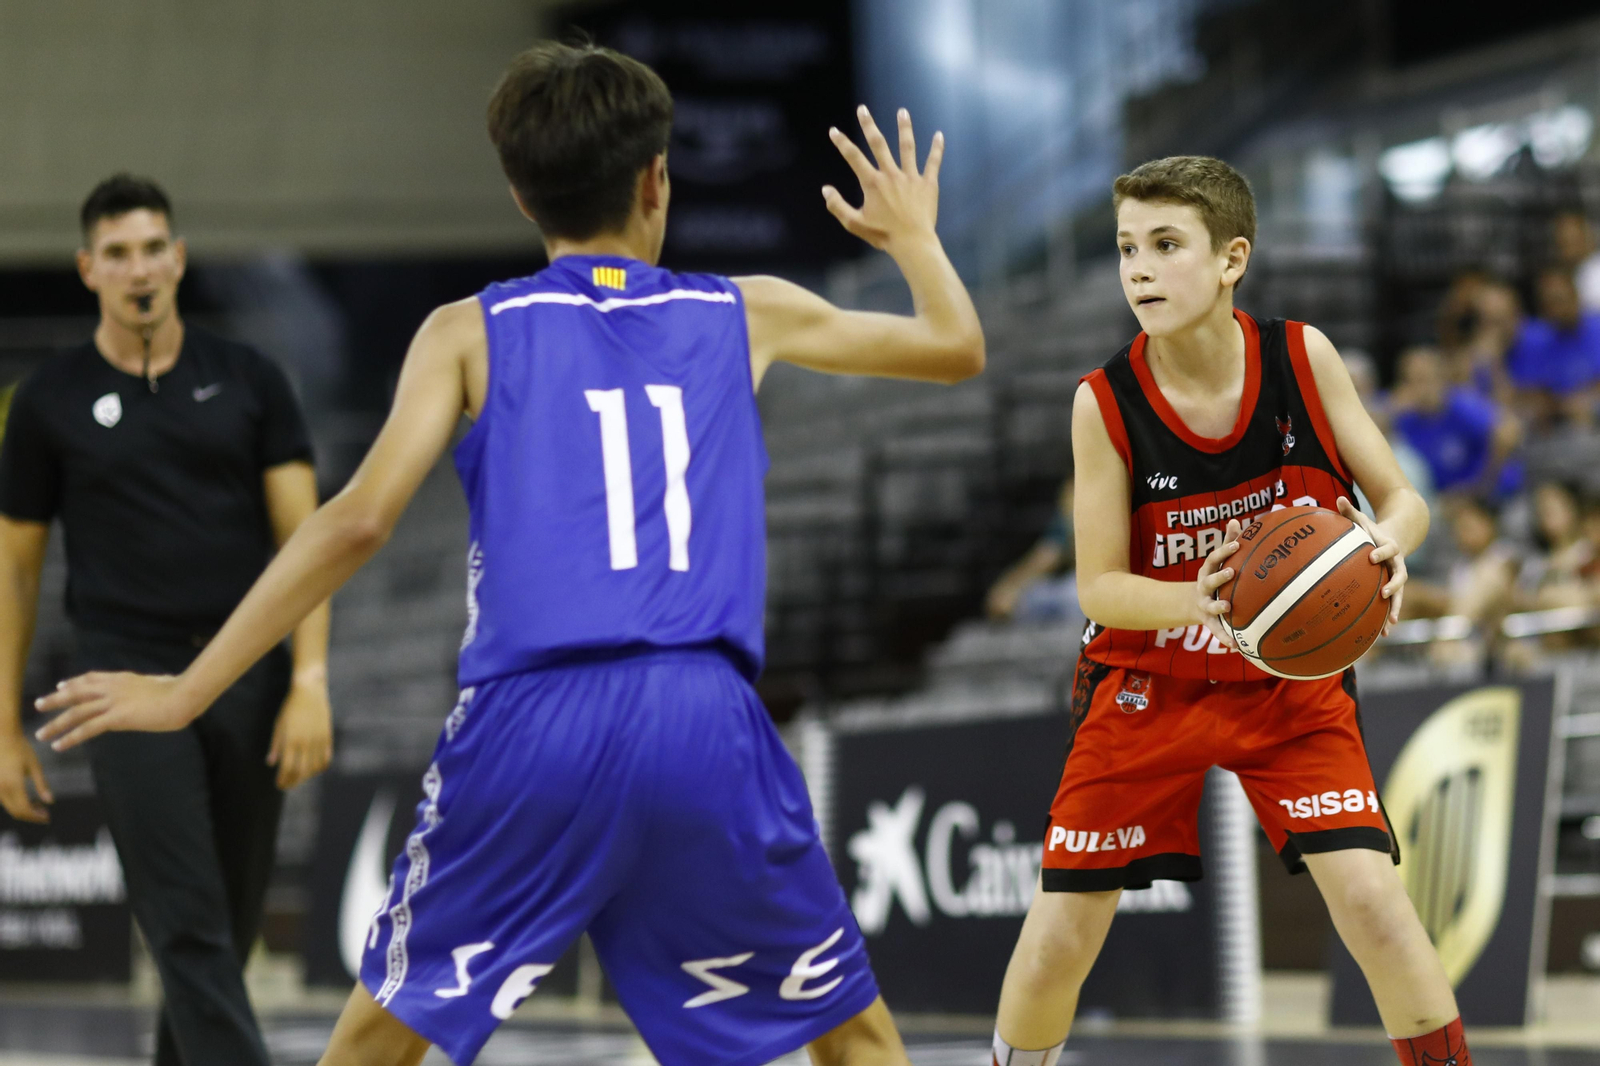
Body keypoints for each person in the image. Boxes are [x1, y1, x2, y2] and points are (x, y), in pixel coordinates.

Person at [35, 43, 984, 1066]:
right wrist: (915, 237)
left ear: (520, 194)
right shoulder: (742, 307)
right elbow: (955, 345)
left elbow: (354, 520)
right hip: (702, 715)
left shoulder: (465, 331)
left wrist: (187, 690)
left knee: (372, 1044)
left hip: (534, 721)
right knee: (850, 1030)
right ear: (656, 180)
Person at [989, 157, 1471, 1066]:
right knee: (1061, 933)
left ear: (1230, 258)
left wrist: (1388, 544)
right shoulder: (1104, 403)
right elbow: (1098, 586)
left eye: (1166, 245)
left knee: (1372, 901)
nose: (1139, 268)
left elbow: (1402, 497)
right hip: (1146, 680)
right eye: (1127, 247)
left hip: (1288, 684)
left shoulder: (1301, 356)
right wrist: (1203, 601)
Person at [0, 176, 333, 1065]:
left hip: (245, 672)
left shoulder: (252, 380)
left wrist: (308, 681)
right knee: (186, 926)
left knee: (226, 925)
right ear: (86, 270)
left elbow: (308, 545)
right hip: (122, 678)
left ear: (179, 259)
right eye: (117, 253)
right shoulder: (47, 403)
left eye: (153, 248)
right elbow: (18, 574)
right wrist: (3, 730)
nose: (138, 268)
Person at [1388, 345, 1521, 499]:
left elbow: (1508, 431)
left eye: (1424, 379)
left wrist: (1481, 484)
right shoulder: (1405, 418)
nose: (1420, 388)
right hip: (1442, 500)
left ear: (1440, 378)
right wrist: (1391, 410)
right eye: (1411, 381)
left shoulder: (1462, 405)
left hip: (1492, 494)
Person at [1505, 266, 1600, 428]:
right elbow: (1528, 394)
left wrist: (1587, 399)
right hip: (1556, 429)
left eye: (1559, 300)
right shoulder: (1532, 340)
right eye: (1547, 304)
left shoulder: (1597, 326)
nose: (1556, 310)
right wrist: (1563, 406)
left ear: (1575, 296)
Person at [985, 477, 1076, 624]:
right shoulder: (1071, 495)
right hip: (1072, 587)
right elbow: (1045, 557)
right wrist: (1009, 587)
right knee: (1029, 599)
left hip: (1106, 589)